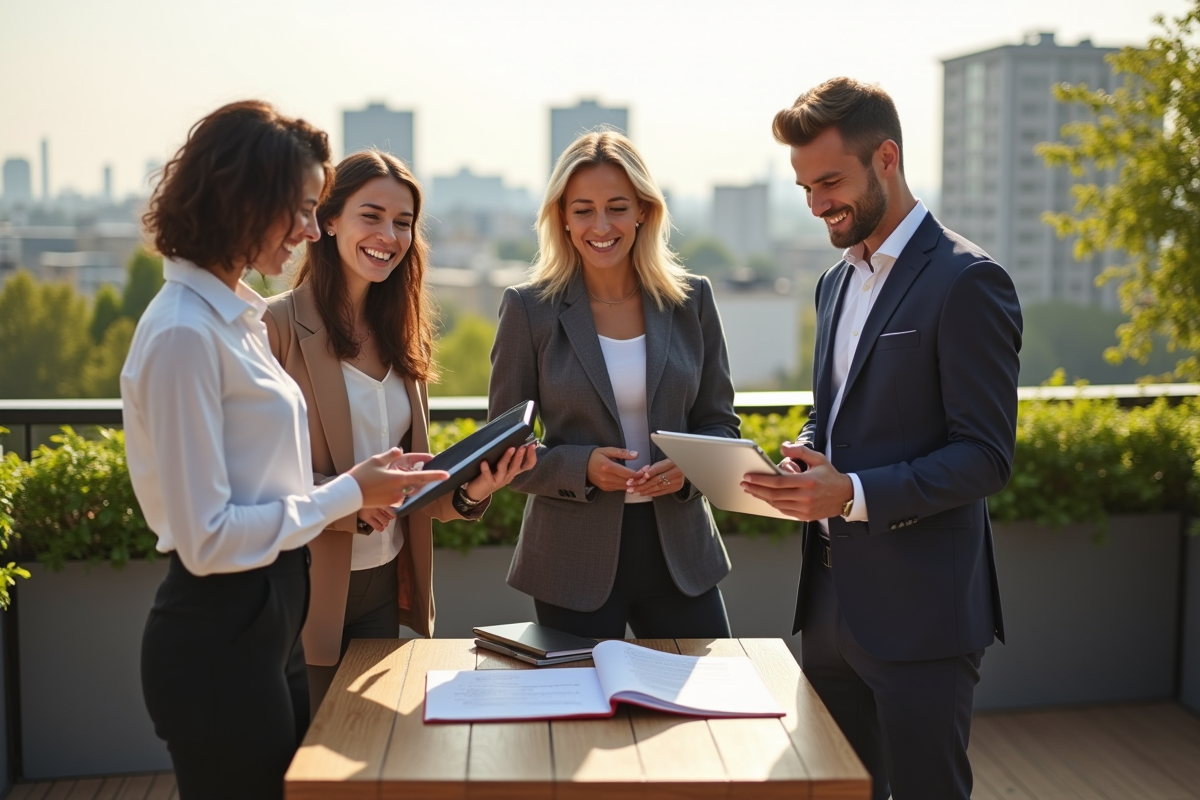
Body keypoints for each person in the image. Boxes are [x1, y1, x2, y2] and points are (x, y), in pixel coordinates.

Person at [122, 102, 449, 799]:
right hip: (219, 627)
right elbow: (206, 538)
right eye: (302, 207)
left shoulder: (231, 318)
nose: (308, 228)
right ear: (245, 199)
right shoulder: (184, 333)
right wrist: (349, 494)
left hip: (270, 614)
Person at [741, 78, 1022, 800]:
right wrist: (804, 457)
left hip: (922, 615)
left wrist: (854, 492)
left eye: (829, 181)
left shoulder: (967, 282)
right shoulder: (835, 283)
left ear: (887, 158)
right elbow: (830, 411)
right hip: (830, 605)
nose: (816, 205)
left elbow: (986, 455)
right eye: (804, 188)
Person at [263, 149, 535, 711]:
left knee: (373, 751)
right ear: (328, 219)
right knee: (310, 756)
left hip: (386, 582)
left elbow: (411, 488)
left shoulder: (403, 337)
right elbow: (256, 481)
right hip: (305, 586)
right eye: (372, 215)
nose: (389, 234)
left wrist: (471, 489)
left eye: (403, 222)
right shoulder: (276, 326)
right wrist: (350, 500)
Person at [488, 130, 740, 639]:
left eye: (617, 207)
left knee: (703, 715)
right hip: (570, 561)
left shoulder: (692, 301)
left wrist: (689, 470)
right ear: (561, 216)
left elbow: (721, 426)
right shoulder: (528, 309)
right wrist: (583, 468)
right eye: (583, 210)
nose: (601, 226)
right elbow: (501, 449)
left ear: (645, 210)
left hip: (682, 559)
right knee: (582, 716)